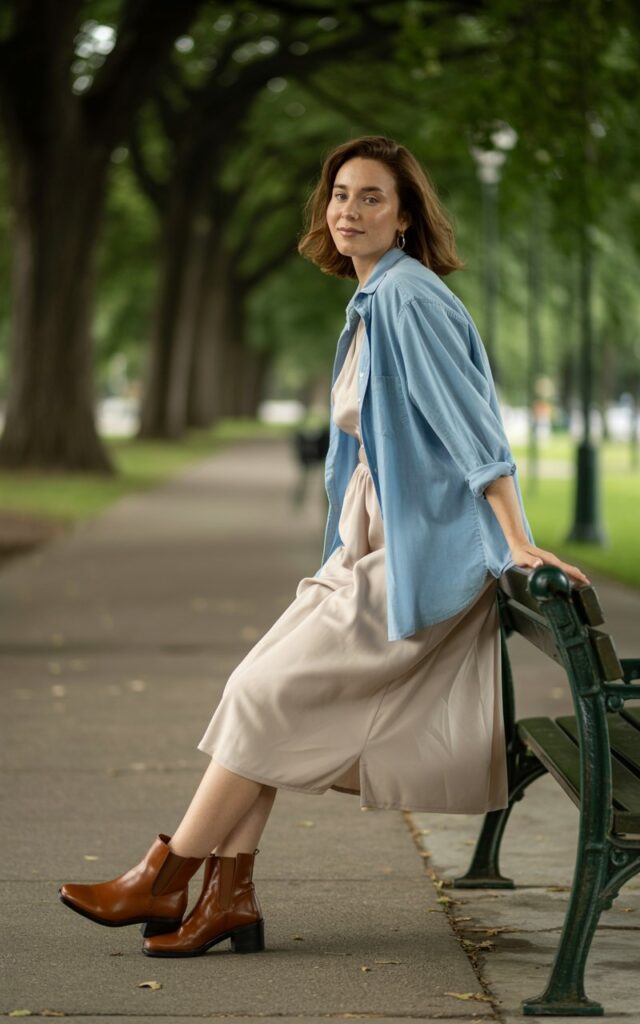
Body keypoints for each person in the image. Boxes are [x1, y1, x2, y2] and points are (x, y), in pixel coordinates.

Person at [58, 135, 591, 959]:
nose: (350, 210)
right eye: (341, 194)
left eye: (372, 197)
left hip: (416, 558)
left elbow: (475, 431)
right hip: (365, 553)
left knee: (263, 697)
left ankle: (165, 877)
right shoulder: (374, 299)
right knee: (260, 697)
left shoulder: (409, 299)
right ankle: (225, 898)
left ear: (405, 217)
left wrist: (516, 538)